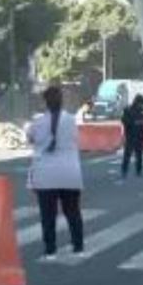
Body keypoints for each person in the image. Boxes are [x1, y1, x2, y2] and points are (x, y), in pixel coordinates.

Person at [26, 85, 84, 262]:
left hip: (46, 175)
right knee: (73, 212)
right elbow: (75, 139)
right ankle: (78, 247)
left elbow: (30, 138)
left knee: (48, 215)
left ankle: (50, 250)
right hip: (70, 173)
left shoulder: (37, 122)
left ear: (45, 102)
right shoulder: (71, 120)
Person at [121, 95, 143, 179]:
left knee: (139, 154)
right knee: (127, 154)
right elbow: (124, 121)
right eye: (141, 104)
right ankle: (124, 170)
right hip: (131, 135)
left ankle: (138, 171)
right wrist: (135, 123)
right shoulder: (128, 110)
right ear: (137, 102)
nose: (142, 105)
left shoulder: (142, 111)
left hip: (140, 135)